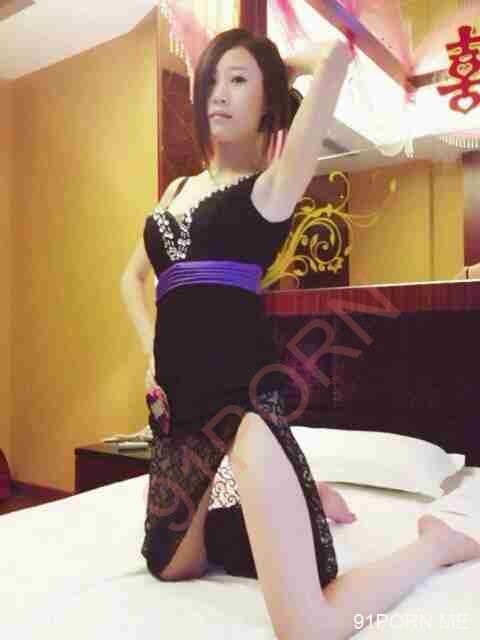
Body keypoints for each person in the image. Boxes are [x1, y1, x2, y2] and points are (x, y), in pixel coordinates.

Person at [120, 28, 480, 640]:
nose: (218, 93)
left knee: (308, 626)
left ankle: (436, 545)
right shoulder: (176, 191)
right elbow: (131, 279)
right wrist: (149, 347)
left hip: (243, 405)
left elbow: (336, 55)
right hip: (178, 411)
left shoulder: (273, 187)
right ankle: (309, 493)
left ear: (268, 100)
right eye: (212, 80)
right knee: (171, 566)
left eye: (238, 81)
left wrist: (277, 66)